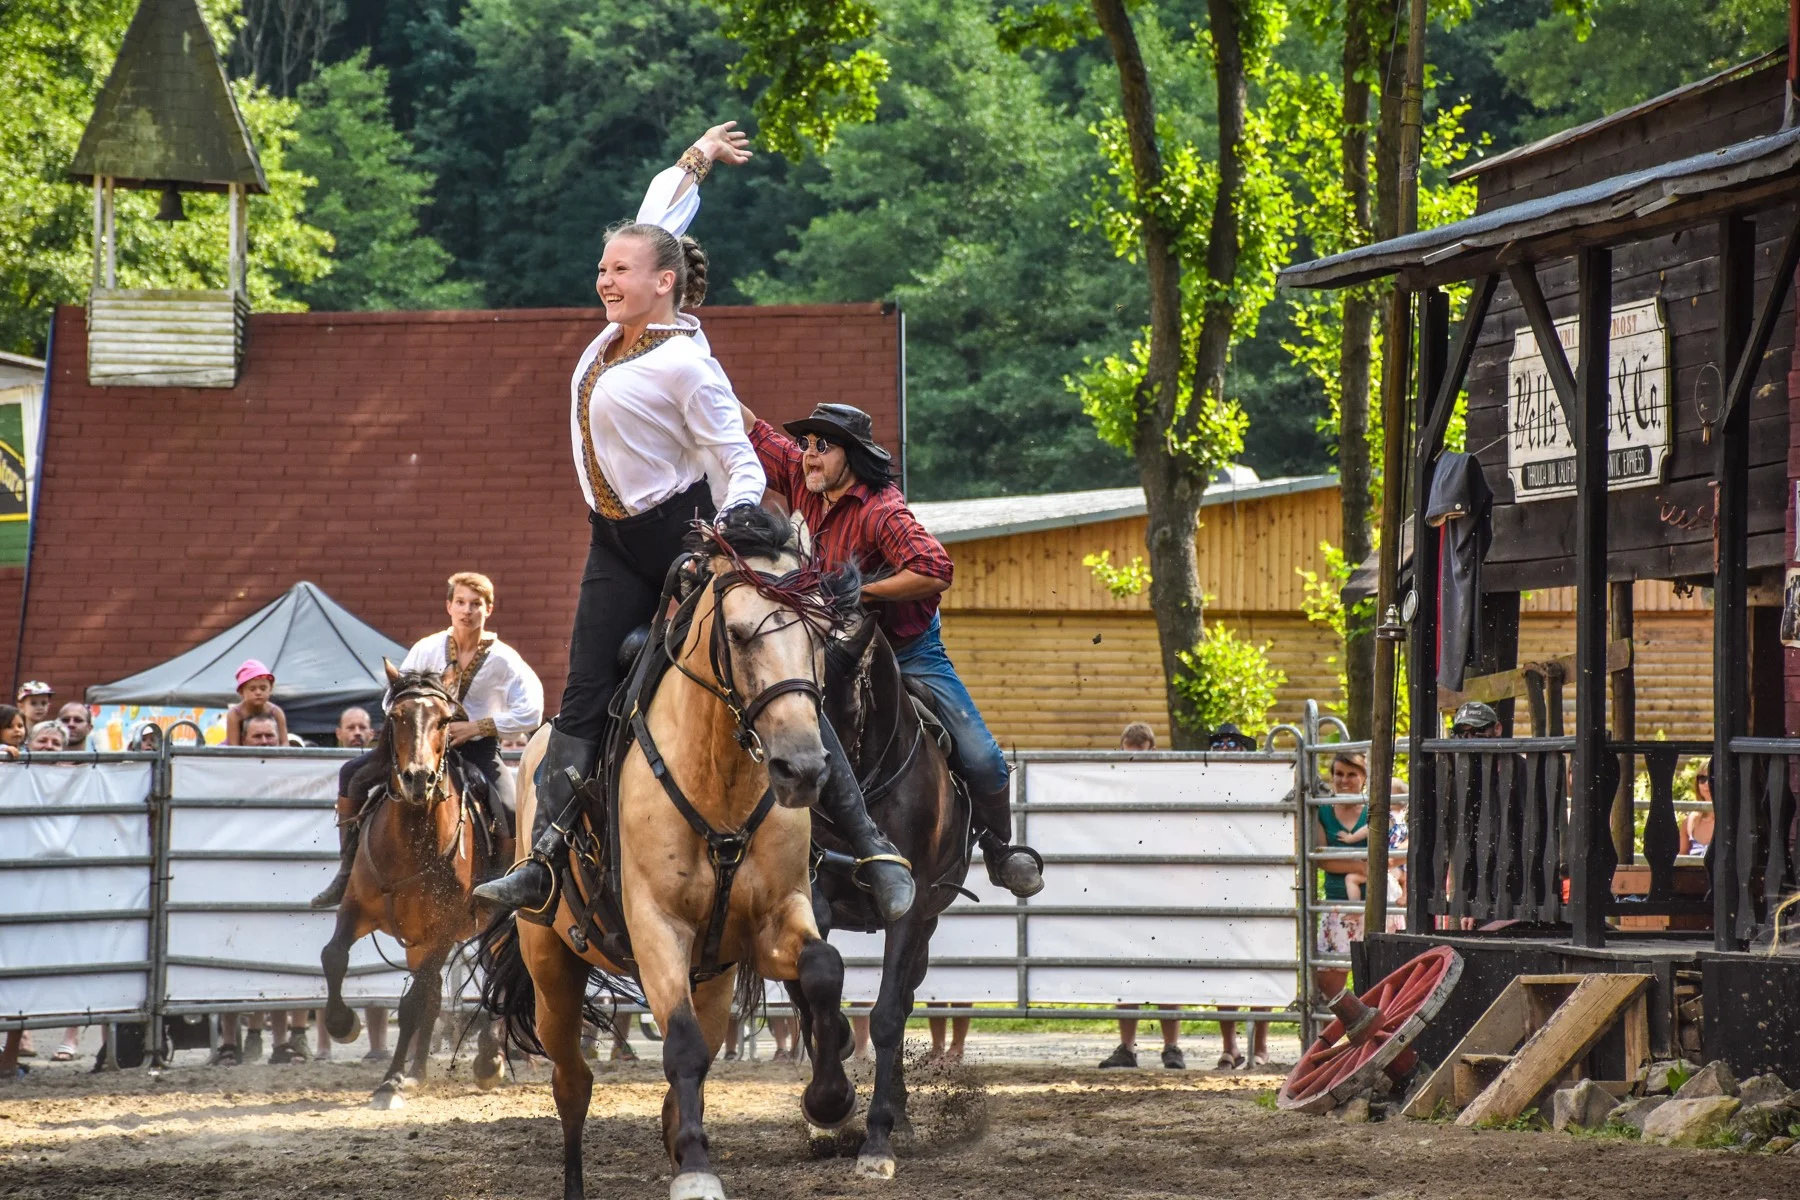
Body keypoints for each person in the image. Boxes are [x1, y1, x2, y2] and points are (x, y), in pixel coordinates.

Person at [473, 123, 915, 923]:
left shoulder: (688, 365)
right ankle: (544, 862)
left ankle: (870, 844)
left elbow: (738, 459)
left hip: (686, 534)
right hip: (613, 542)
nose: (604, 278)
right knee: (582, 695)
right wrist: (699, 157)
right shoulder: (623, 327)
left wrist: (736, 523)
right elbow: (657, 213)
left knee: (767, 673)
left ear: (664, 283)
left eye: (619, 270)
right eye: (603, 267)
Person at [742, 400, 1043, 898]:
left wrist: (862, 590)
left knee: (982, 755)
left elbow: (934, 570)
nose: (809, 455)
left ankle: (998, 848)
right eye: (808, 444)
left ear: (852, 457)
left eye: (823, 446)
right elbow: (751, 427)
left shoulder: (883, 510)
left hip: (906, 648)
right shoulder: (805, 476)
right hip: (824, 646)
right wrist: (684, 346)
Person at [313, 573, 545, 908]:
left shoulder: (505, 660)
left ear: (489, 609)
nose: (467, 611)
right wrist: (420, 722)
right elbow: (391, 698)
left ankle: (497, 892)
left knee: (508, 808)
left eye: (476, 604)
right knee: (351, 774)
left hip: (478, 749)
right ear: (449, 606)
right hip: (420, 745)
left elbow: (532, 713)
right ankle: (346, 872)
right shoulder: (427, 648)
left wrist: (477, 727)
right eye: (461, 602)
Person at [1098, 722, 1184, 1069]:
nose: (1133, 760)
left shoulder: (1168, 791)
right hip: (1125, 889)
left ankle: (1171, 1046)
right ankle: (1127, 1046)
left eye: (1139, 754)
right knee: (1125, 967)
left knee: (1168, 967)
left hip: (1164, 889)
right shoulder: (1113, 793)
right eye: (1127, 753)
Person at [1314, 752, 1369, 1000]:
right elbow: (1322, 858)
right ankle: (1349, 1027)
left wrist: (1344, 863)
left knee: (1375, 976)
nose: (1344, 780)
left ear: (1364, 778)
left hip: (1378, 903)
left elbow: (1392, 853)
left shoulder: (1375, 810)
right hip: (1337, 902)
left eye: (1351, 774)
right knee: (1328, 979)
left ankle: (1373, 1034)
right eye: (1338, 774)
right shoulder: (1322, 811)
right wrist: (1360, 867)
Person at [226, 660, 287, 746]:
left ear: (270, 689)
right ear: (241, 691)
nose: (258, 693)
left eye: (263, 688)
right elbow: (233, 746)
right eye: (252, 689)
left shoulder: (276, 712)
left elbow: (284, 743)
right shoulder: (235, 714)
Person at [1683, 759, 1714, 855]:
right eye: (1702, 779)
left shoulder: (1734, 820)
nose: (1706, 784)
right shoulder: (1690, 821)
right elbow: (1679, 862)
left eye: (1713, 778)